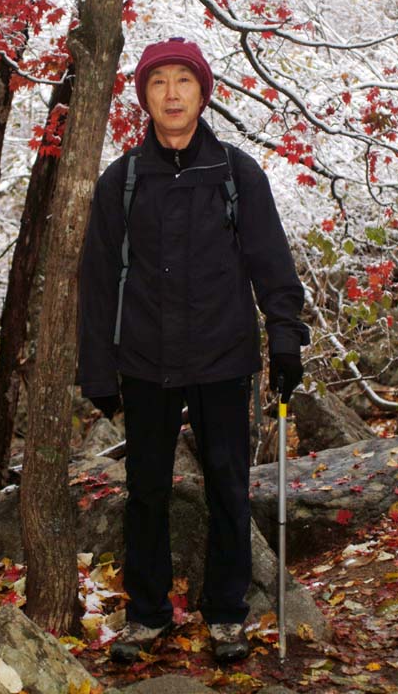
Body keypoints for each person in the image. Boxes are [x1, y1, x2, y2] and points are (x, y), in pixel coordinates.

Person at [76, 37, 309, 664]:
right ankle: (146, 615)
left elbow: (271, 264)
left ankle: (227, 613)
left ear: (203, 93)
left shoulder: (237, 173)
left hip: (223, 356)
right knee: (146, 491)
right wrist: (97, 370)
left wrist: (285, 339)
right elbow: (98, 282)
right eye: (159, 83)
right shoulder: (122, 181)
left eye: (184, 81)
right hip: (144, 360)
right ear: (145, 98)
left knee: (229, 486)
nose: (172, 94)